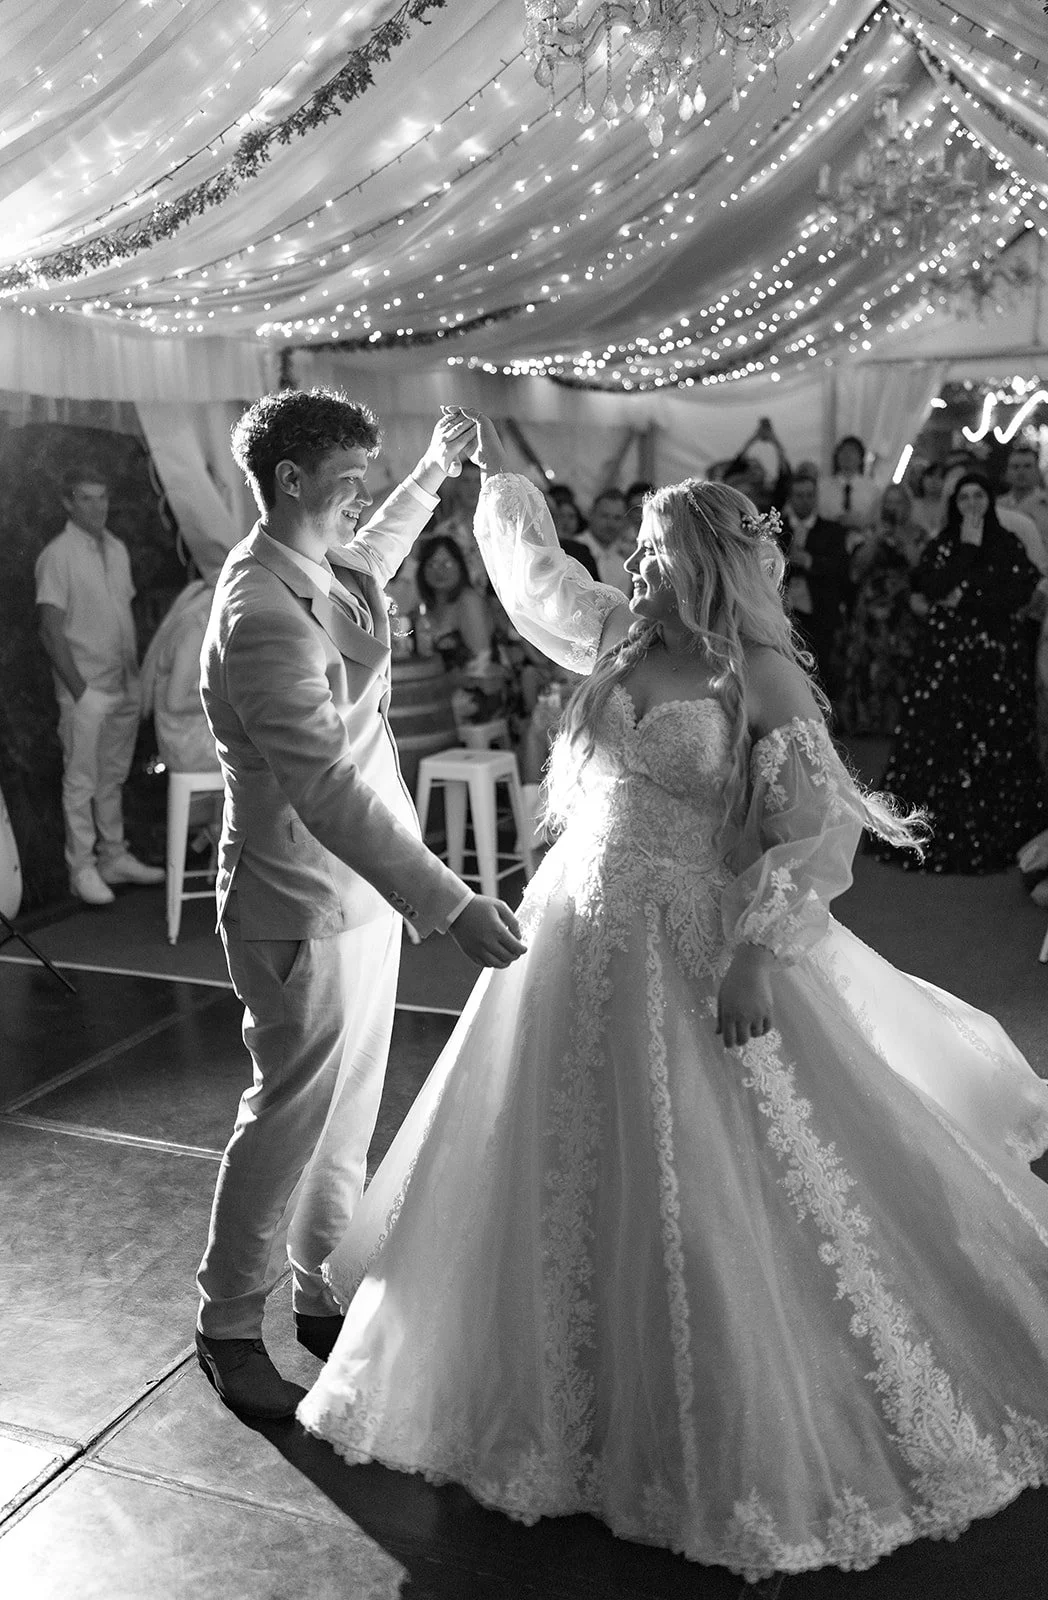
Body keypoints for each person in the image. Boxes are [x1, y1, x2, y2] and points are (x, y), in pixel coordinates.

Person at [298, 413, 1048, 1584]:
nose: (638, 565)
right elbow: (536, 581)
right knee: (551, 1152)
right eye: (637, 550)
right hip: (573, 926)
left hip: (691, 937)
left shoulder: (755, 672)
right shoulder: (614, 630)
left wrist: (756, 952)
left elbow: (814, 831)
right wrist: (493, 480)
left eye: (655, 551)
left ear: (704, 560)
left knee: (706, 1164)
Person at [194, 389, 525, 1423]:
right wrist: (450, 900)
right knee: (287, 1118)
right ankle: (226, 1322)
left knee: (348, 1113)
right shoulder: (258, 612)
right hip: (296, 899)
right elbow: (323, 786)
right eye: (346, 482)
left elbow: (373, 552)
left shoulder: (320, 565)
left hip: (363, 891)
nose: (359, 499)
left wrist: (431, 473)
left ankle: (321, 1283)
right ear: (289, 480)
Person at [875, 473, 1046, 873]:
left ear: (989, 500)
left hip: (993, 661)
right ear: (955, 503)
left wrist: (966, 598)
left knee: (993, 736)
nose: (971, 504)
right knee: (943, 733)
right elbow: (930, 587)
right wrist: (966, 553)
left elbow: (1018, 592)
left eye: (978, 496)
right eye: (964, 497)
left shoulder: (1007, 543)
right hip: (946, 662)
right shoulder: (945, 544)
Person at [35, 464, 165, 906]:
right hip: (85, 691)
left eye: (103, 497)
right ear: (68, 503)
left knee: (111, 777)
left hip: (123, 685)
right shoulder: (57, 555)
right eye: (87, 498)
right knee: (81, 782)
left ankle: (113, 856)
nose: (98, 507)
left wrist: (135, 679)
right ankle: (82, 869)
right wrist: (80, 692)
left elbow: (122, 618)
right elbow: (49, 629)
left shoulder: (117, 548)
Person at [839, 483, 929, 736]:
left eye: (898, 502)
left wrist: (903, 539)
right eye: (888, 501)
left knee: (900, 660)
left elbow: (920, 569)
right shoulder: (869, 531)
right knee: (866, 661)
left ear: (907, 505)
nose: (892, 507)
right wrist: (876, 539)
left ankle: (897, 721)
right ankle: (864, 720)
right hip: (870, 605)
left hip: (902, 607)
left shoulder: (918, 533)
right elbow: (856, 570)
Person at [779, 468, 851, 704]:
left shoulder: (832, 531)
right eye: (799, 495)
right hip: (784, 612)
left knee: (821, 670)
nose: (805, 500)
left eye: (810, 495)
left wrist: (810, 561)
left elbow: (841, 568)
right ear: (790, 498)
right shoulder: (777, 528)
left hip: (819, 612)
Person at [817, 433, 878, 536]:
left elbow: (875, 519)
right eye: (844, 451)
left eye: (852, 452)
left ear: (861, 458)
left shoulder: (872, 489)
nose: (847, 456)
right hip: (829, 538)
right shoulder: (823, 487)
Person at [998, 442, 1048, 565]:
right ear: (1007, 472)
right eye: (1015, 467)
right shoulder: (998, 506)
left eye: (1027, 466)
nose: (1021, 472)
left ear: (1037, 470)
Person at [577, 487, 633, 593]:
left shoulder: (626, 557)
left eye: (617, 518)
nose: (610, 524)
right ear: (590, 514)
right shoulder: (572, 550)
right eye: (605, 516)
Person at [909, 459, 946, 541]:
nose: (934, 481)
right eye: (930, 475)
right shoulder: (911, 505)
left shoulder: (947, 508)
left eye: (940, 477)